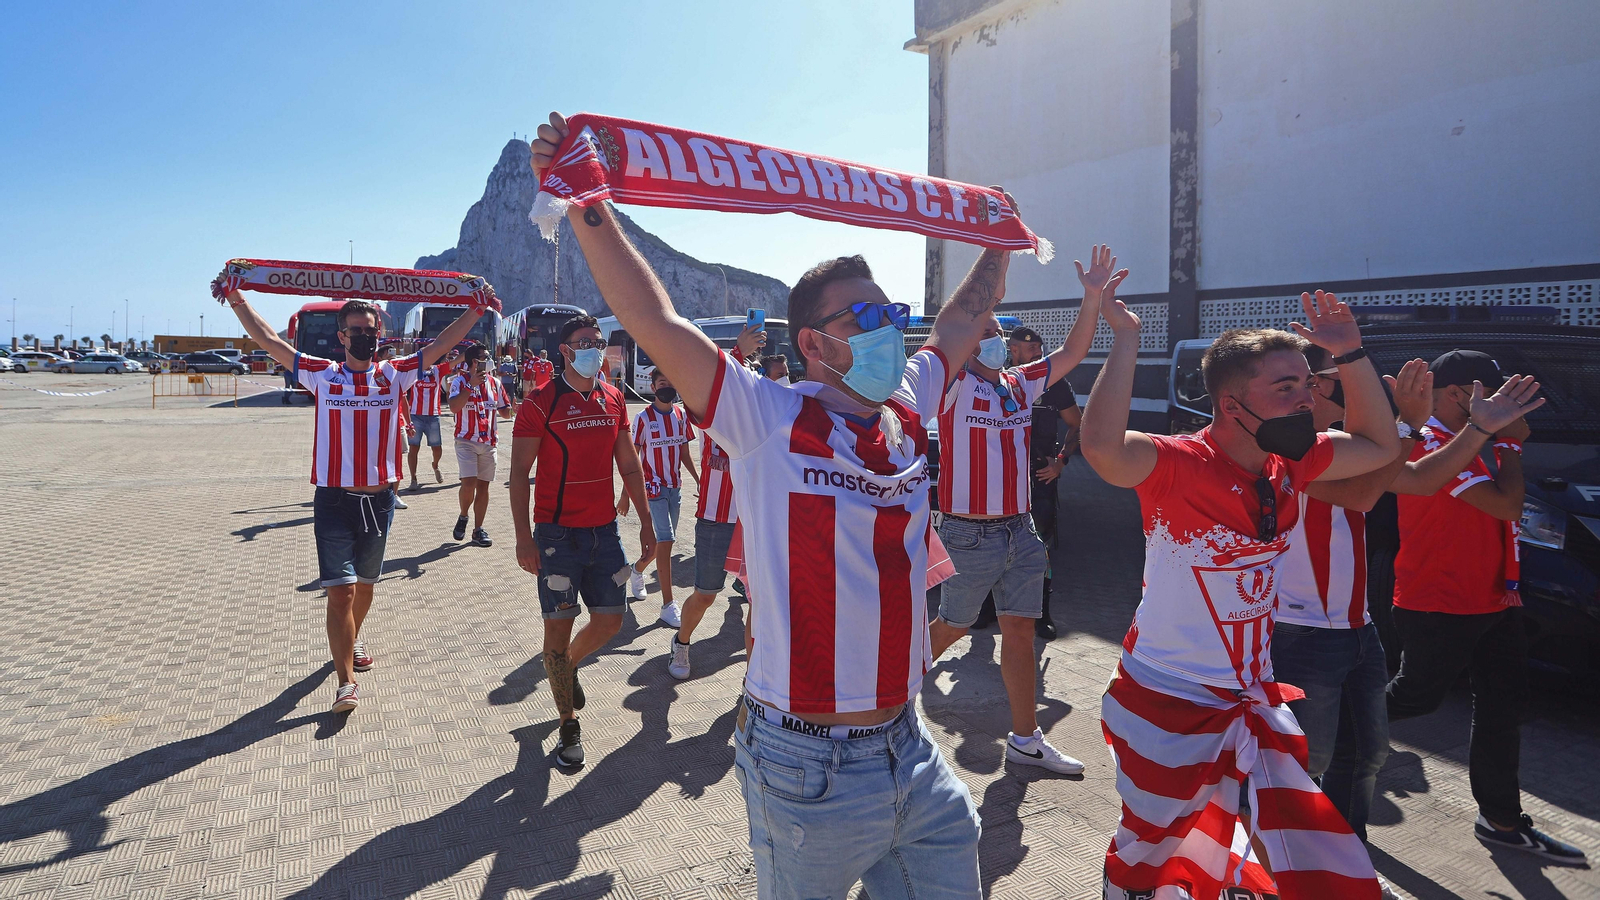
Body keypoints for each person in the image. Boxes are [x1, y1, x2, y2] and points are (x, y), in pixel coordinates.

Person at [532, 109, 1002, 899]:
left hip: (911, 747)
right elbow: (655, 319)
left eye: (893, 314)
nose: (891, 329)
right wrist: (587, 199)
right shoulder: (768, 416)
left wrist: (1000, 240)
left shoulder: (910, 406)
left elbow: (959, 321)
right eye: (867, 318)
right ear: (813, 343)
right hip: (806, 762)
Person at [1080, 290, 1397, 899]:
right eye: (1285, 387)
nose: (1306, 398)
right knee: (1150, 845)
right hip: (1165, 697)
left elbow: (1381, 448)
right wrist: (1125, 339)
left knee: (1291, 851)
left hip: (1252, 700)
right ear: (1231, 404)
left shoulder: (1289, 466)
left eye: (1307, 383)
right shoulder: (1177, 463)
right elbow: (1102, 448)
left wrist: (1352, 355)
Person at [222, 290, 487, 713]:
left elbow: (440, 346)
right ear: (341, 337)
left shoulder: (395, 373)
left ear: (378, 333)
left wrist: (476, 309)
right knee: (341, 593)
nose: (363, 336)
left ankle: (352, 638)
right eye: (355, 331)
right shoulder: (321, 374)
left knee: (365, 588)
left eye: (369, 330)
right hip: (333, 501)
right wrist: (237, 300)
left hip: (379, 502)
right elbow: (271, 341)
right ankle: (345, 682)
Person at [926, 246, 1124, 777]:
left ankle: (1025, 739)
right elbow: (954, 323)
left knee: (1019, 632)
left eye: (997, 332)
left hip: (1021, 530)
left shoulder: (1020, 383)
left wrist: (1091, 297)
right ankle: (882, 699)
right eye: (985, 330)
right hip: (969, 532)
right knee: (952, 626)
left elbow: (1076, 350)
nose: (993, 339)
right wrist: (998, 255)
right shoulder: (948, 385)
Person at [1384, 350, 1586, 865]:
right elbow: (1506, 504)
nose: (1512, 409)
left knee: (1501, 711)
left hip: (1497, 599)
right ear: (1458, 396)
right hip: (1441, 603)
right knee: (1412, 699)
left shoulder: (1474, 443)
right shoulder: (1433, 444)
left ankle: (1501, 820)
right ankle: (1311, 735)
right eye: (1497, 397)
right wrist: (1513, 445)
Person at [510, 313, 656, 768]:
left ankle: (564, 665)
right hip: (555, 538)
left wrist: (648, 525)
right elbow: (518, 474)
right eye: (585, 341)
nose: (595, 346)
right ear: (565, 351)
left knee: (612, 621)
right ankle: (567, 722)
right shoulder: (539, 403)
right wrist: (523, 538)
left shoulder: (613, 398)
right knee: (559, 626)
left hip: (604, 533)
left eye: (599, 339)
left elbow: (630, 466)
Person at [666, 325, 765, 680]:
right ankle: (682, 641)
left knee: (759, 601)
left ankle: (755, 679)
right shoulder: (714, 416)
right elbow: (714, 384)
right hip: (715, 517)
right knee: (706, 595)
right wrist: (737, 351)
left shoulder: (761, 417)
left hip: (752, 521)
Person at [1008, 324, 1080, 640]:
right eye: (1026, 347)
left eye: (1036, 347)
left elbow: (1078, 425)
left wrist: (1061, 461)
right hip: (1003, 477)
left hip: (1040, 476)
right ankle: (985, 609)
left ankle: (1041, 613)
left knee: (1040, 549)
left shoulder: (1055, 384)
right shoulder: (998, 381)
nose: (1037, 352)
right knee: (996, 543)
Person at [620, 369, 700, 625]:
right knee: (665, 542)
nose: (668, 387)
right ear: (653, 387)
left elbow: (685, 453)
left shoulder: (681, 415)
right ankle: (668, 605)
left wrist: (700, 481)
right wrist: (625, 495)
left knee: (660, 547)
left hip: (674, 488)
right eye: (662, 383)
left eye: (671, 382)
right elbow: (633, 460)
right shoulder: (643, 418)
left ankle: (637, 570)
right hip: (652, 489)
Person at [449, 342, 511, 547]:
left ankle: (478, 530)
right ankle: (464, 515)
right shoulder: (459, 381)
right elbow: (454, 407)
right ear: (474, 362)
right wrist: (471, 385)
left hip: (489, 442)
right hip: (466, 440)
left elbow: (505, 411)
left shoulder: (496, 383)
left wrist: (515, 407)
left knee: (484, 486)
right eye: (485, 357)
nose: (489, 359)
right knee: (469, 483)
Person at [406, 348, 457, 491]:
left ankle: (435, 465)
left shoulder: (437, 370)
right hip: (415, 415)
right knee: (414, 447)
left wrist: (470, 352)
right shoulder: (414, 370)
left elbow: (455, 362)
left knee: (437, 448)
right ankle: (413, 478)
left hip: (433, 416)